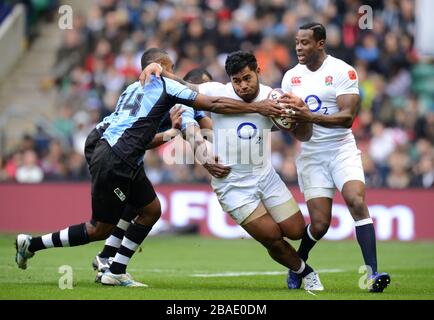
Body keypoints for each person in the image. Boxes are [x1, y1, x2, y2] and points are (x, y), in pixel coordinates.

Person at [15, 48, 283, 287]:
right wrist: (260, 107)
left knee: (149, 209)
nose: (175, 74)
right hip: (116, 158)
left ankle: (115, 268)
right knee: (100, 228)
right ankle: (33, 244)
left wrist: (172, 133)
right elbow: (213, 103)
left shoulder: (133, 89)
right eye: (172, 69)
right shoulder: (165, 83)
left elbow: (140, 138)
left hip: (112, 150)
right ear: (162, 67)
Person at [142, 51, 323, 290]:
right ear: (229, 80)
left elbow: (303, 135)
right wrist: (159, 69)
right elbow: (186, 84)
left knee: (297, 230)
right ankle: (304, 271)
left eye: (247, 78)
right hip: (232, 183)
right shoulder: (218, 91)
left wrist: (303, 117)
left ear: (258, 71)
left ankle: (295, 262)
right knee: (272, 238)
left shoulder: (275, 98)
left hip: (265, 175)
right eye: (236, 81)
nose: (243, 85)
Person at [279, 23, 390, 292]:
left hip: (341, 149)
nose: (298, 47)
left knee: (356, 200)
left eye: (305, 42)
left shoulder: (342, 71)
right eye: (296, 42)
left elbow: (347, 118)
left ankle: (372, 275)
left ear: (320, 43)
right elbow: (293, 125)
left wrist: (310, 116)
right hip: (312, 155)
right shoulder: (291, 77)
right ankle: (298, 265)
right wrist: (292, 123)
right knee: (319, 225)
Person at [90, 67, 220, 281]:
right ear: (193, 84)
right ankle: (111, 264)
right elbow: (189, 130)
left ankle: (106, 256)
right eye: (205, 87)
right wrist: (205, 158)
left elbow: (209, 129)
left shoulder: (177, 99)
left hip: (120, 149)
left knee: (136, 205)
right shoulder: (182, 101)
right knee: (143, 210)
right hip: (122, 153)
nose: (207, 93)